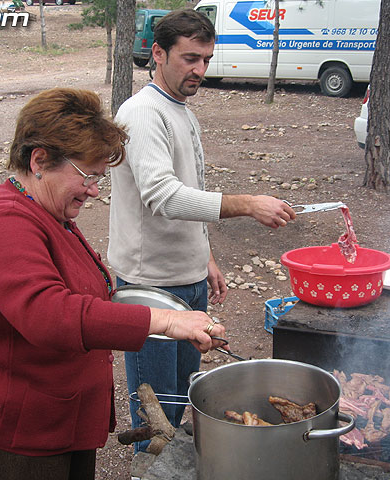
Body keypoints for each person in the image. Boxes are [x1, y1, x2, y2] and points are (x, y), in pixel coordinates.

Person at [0, 88, 227, 480]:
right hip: (20, 430)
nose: (96, 190)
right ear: (40, 160)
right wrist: (164, 322)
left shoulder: (46, 212)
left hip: (60, 419)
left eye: (99, 176)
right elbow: (48, 314)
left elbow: (87, 293)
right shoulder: (3, 224)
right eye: (88, 176)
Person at [108, 9, 296, 452]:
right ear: (158, 53)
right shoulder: (141, 112)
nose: (200, 70)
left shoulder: (181, 110)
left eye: (206, 59)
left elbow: (191, 192)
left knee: (183, 396)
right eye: (190, 58)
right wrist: (247, 204)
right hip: (150, 284)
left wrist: (205, 254)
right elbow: (163, 196)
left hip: (189, 279)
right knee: (156, 411)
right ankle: (149, 468)